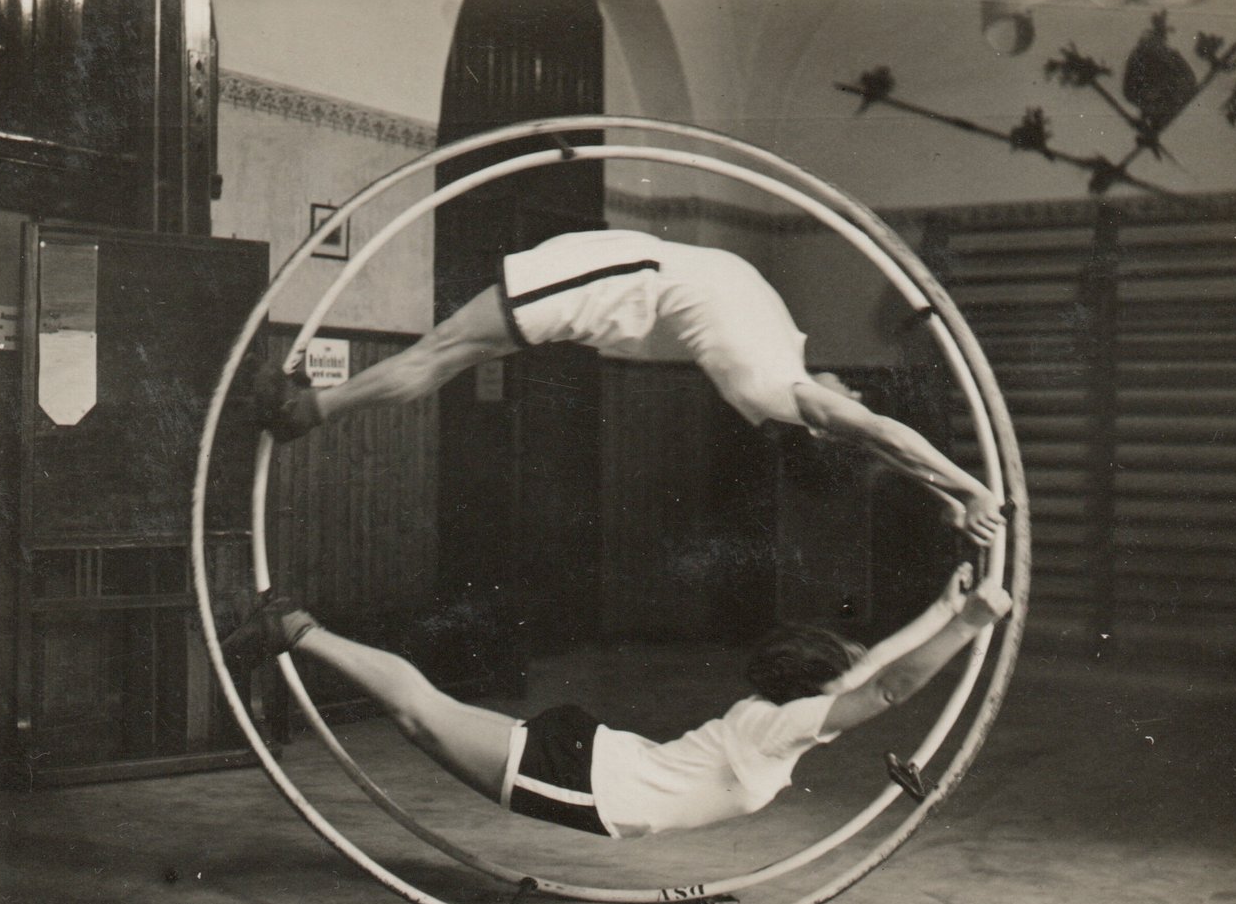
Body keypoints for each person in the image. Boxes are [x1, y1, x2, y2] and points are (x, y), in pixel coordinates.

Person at [255, 229, 1005, 547]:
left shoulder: (795, 398)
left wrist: (971, 488)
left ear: (829, 428)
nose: (861, 399)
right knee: (443, 357)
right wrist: (944, 498)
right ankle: (311, 407)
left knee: (440, 350)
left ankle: (305, 410)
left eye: (858, 409)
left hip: (613, 283)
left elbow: (885, 438)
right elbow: (884, 453)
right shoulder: (793, 388)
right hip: (617, 283)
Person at [223, 565, 1011, 839]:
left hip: (592, 760)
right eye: (840, 668)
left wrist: (946, 611)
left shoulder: (785, 718)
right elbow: (888, 683)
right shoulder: (785, 728)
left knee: (421, 718)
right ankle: (296, 628)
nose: (854, 669)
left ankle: (296, 628)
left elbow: (871, 667)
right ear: (817, 685)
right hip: (586, 781)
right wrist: (973, 621)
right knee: (418, 714)